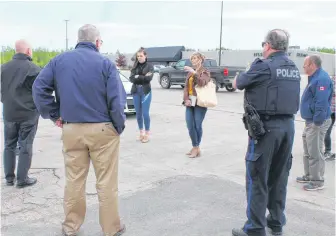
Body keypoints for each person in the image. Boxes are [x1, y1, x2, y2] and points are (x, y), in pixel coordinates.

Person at [32, 24, 127, 236]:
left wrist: (54, 115)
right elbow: (116, 100)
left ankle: (71, 227)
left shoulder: (58, 61)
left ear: (78, 40)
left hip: (72, 129)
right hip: (102, 129)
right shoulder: (105, 63)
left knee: (74, 180)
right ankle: (111, 228)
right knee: (106, 182)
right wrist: (117, 126)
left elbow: (38, 88)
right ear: (98, 42)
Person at [231, 29, 301, 236]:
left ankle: (255, 228)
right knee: (279, 177)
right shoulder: (293, 68)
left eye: (263, 45)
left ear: (268, 46)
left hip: (265, 130)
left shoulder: (263, 66)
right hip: (288, 128)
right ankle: (276, 223)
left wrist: (243, 72)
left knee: (257, 178)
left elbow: (238, 83)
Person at [1, 39, 41, 188]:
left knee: (9, 144)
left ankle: (9, 178)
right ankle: (22, 179)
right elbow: (41, 92)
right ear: (29, 51)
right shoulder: (34, 69)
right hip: (28, 114)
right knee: (25, 145)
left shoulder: (3, 68)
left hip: (9, 113)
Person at [296, 55, 333, 191]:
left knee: (315, 151)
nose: (303, 67)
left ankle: (317, 181)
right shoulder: (314, 77)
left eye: (305, 64)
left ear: (312, 64)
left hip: (317, 122)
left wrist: (317, 121)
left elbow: (321, 102)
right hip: (310, 121)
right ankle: (309, 175)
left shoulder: (321, 79)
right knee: (308, 150)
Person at [182, 52, 211, 158]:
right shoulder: (189, 73)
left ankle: (195, 147)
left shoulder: (205, 71)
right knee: (190, 125)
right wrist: (186, 99)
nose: (193, 60)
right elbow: (185, 87)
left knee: (197, 125)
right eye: (192, 58)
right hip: (190, 101)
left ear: (200, 60)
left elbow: (202, 82)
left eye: (195, 58)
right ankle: (196, 147)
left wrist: (194, 72)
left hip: (200, 102)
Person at [129, 47, 154, 143]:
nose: (139, 57)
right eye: (138, 56)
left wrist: (138, 76)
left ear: (145, 56)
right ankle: (141, 133)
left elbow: (149, 79)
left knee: (145, 113)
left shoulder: (150, 66)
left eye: (141, 56)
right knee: (138, 114)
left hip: (145, 91)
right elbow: (131, 78)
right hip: (136, 91)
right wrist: (142, 77)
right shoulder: (134, 66)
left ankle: (147, 134)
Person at [324, 75, 335, 161]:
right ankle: (328, 151)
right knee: (327, 131)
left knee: (327, 131)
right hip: (331, 110)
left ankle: (328, 151)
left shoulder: (330, 80)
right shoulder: (331, 80)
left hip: (331, 110)